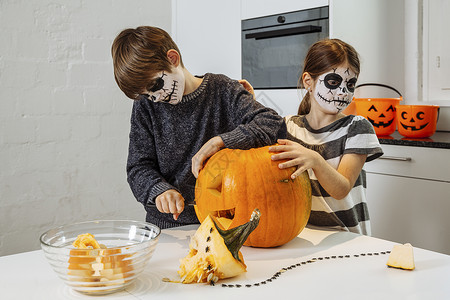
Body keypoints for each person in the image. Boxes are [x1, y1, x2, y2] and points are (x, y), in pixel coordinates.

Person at [111, 26, 286, 229]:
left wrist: (221, 142)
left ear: (173, 59)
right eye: (147, 95)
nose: (156, 98)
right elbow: (138, 167)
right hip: (167, 226)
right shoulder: (146, 106)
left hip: (222, 222)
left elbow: (274, 124)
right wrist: (159, 190)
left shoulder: (223, 89)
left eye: (155, 86)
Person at [269, 39, 383, 235]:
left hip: (347, 237)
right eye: (333, 82)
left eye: (350, 84)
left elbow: (341, 190)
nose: (342, 91)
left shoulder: (357, 128)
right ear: (308, 82)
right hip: (303, 235)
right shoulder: (288, 127)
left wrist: (315, 160)